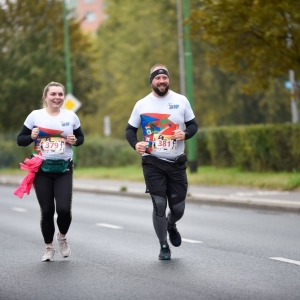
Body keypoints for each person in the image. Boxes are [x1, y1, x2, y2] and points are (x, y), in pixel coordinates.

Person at [125, 63, 198, 260]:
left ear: (168, 80)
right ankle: (163, 246)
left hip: (176, 162)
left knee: (178, 209)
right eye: (157, 78)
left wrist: (185, 133)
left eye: (164, 77)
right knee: (159, 204)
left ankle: (171, 224)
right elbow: (130, 130)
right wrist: (135, 144)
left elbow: (193, 125)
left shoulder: (181, 101)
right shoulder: (142, 104)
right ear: (152, 82)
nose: (161, 81)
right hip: (152, 161)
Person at [16, 82, 84, 262]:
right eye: (53, 94)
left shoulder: (71, 116)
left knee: (63, 210)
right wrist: (30, 137)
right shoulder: (35, 116)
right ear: (45, 97)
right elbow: (20, 140)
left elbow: (81, 138)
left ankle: (62, 237)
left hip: (64, 169)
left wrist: (75, 140)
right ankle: (48, 248)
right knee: (47, 211)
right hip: (42, 169)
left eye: (60, 94)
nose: (57, 98)